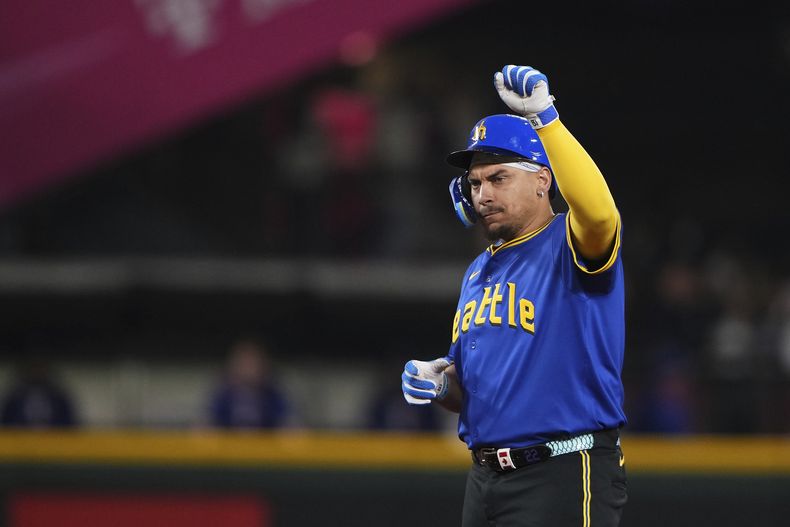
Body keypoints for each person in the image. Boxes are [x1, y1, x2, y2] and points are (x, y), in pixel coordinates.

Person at [401, 65, 627, 526]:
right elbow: (480, 392)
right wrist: (443, 383)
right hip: (485, 481)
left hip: (563, 469)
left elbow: (601, 215)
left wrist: (547, 118)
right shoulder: (476, 273)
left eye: (498, 178)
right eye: (476, 183)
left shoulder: (570, 241)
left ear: (543, 180)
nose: (483, 193)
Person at [208, 338, 290, 429]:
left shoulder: (272, 392)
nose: (248, 368)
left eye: (253, 363)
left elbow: (286, 417)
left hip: (264, 441)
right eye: (244, 362)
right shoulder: (224, 392)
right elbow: (209, 416)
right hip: (229, 442)